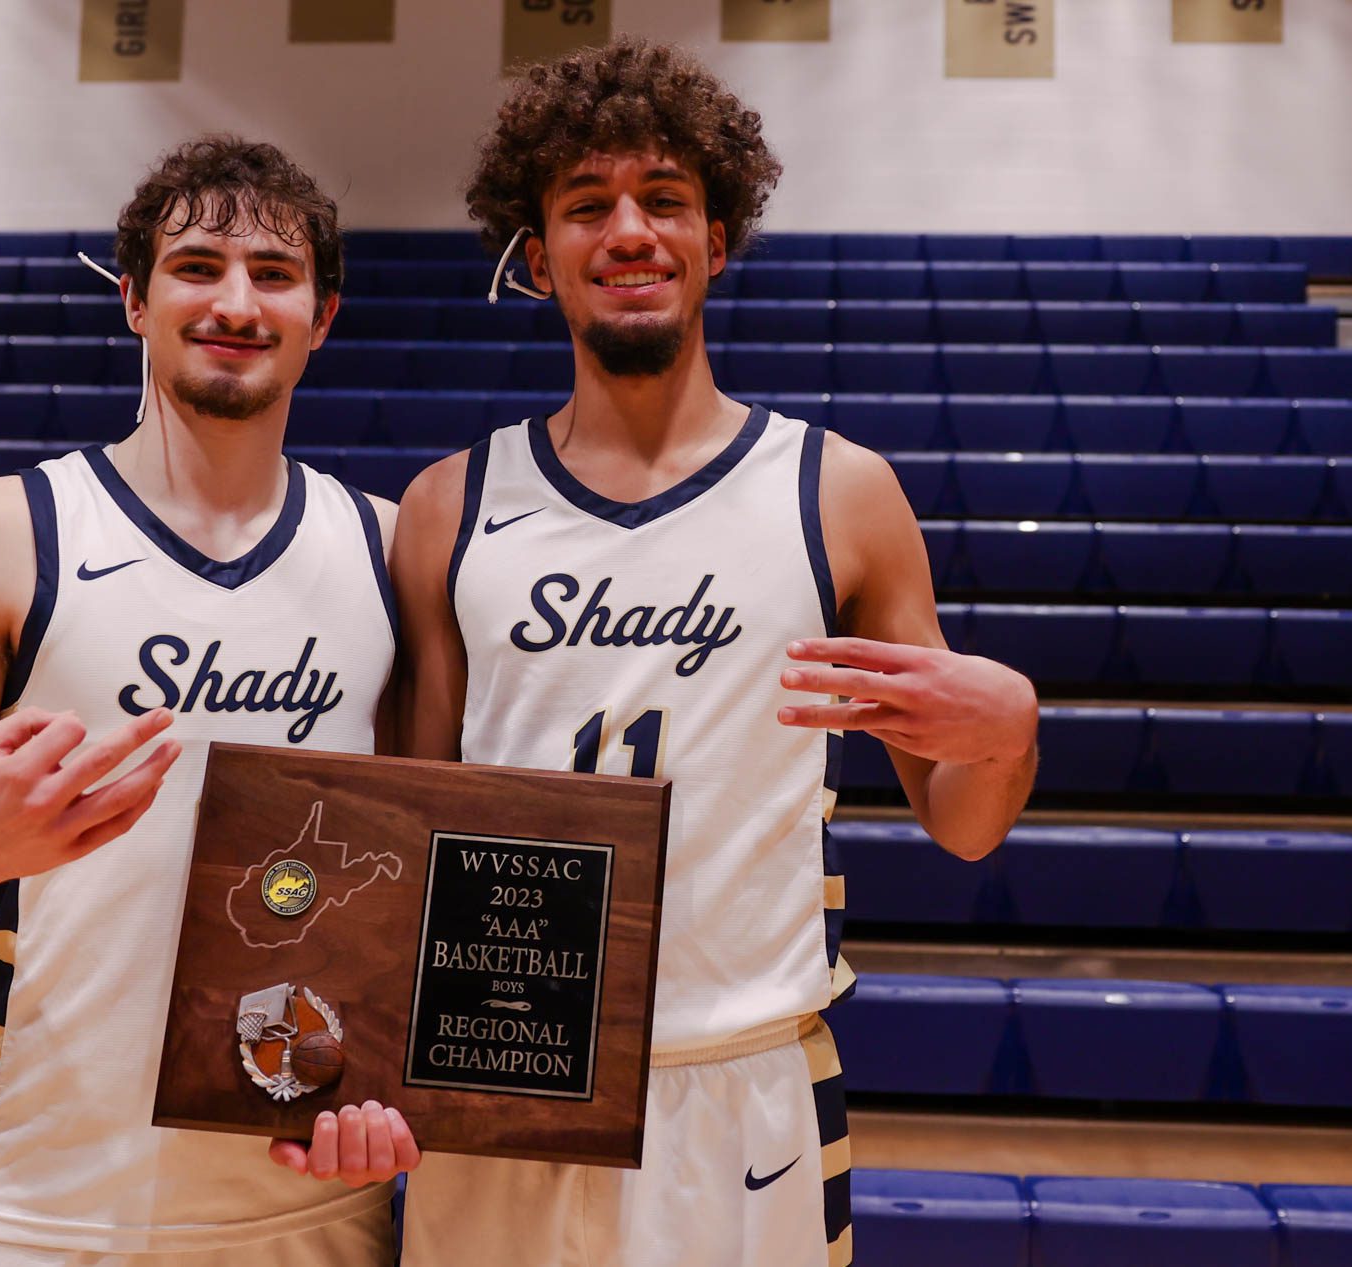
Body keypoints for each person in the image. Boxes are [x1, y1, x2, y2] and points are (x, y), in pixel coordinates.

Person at [388, 38, 1039, 1267]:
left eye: (665, 199)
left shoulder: (839, 492)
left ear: (715, 240)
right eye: (588, 204)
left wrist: (1007, 738)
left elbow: (963, 825)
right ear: (538, 256)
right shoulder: (447, 507)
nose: (629, 230)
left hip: (741, 1076)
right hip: (497, 1069)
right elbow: (408, 832)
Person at [0, 136, 416, 1267]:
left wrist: (404, 1093)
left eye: (273, 273)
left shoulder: (389, 548)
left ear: (322, 316)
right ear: (135, 301)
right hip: (49, 1200)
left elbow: (415, 877)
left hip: (308, 1201)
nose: (236, 303)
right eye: (198, 266)